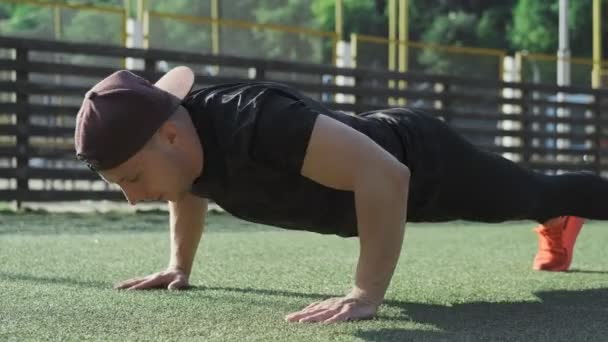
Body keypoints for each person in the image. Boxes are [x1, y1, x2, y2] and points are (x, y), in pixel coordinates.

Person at [74, 66, 597, 323]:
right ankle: (555, 220)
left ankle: (557, 216)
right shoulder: (182, 148)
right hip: (377, 183)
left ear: (169, 136)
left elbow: (386, 177)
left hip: (422, 162)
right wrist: (178, 266)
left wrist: (365, 295)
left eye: (132, 180)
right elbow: (188, 189)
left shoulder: (259, 123)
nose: (133, 199)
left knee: (536, 192)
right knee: (533, 197)